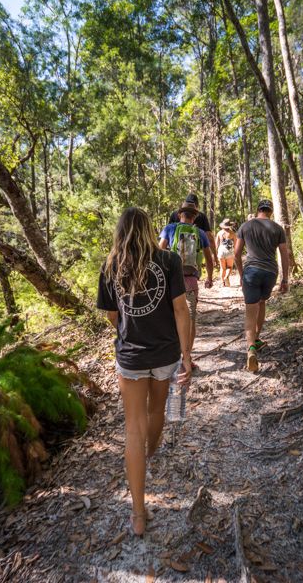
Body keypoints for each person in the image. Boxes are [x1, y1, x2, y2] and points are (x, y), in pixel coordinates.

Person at [97, 207, 193, 537]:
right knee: (157, 411)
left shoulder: (110, 266)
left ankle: (138, 515)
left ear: (120, 231)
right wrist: (188, 355)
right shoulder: (169, 262)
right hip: (166, 353)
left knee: (133, 429)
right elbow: (181, 310)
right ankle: (149, 455)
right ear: (149, 228)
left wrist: (130, 328)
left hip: (131, 357)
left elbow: (113, 316)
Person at [234, 199, 290, 373]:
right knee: (262, 302)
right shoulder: (277, 228)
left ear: (258, 210)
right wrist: (285, 279)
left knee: (251, 309)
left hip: (252, 271)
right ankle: (257, 338)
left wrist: (242, 275)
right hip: (270, 272)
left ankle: (251, 348)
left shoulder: (246, 226)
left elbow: (236, 254)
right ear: (270, 212)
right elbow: (284, 254)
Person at [159, 204, 214, 368]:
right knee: (189, 320)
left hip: (170, 282)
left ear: (179, 214)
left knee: (170, 318)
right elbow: (209, 259)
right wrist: (209, 278)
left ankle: (170, 358)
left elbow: (158, 251)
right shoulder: (200, 233)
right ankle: (187, 358)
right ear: (195, 217)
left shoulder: (169, 228)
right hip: (190, 281)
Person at [168, 193, 217, 264]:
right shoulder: (201, 216)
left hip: (174, 259)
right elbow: (209, 237)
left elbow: (166, 238)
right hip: (193, 261)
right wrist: (215, 256)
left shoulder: (175, 214)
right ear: (196, 206)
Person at [215, 219, 238, 287]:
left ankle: (222, 283)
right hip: (229, 251)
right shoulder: (233, 233)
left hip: (221, 251)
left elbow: (217, 244)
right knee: (229, 267)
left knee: (222, 268)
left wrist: (216, 253)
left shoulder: (219, 233)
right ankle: (226, 277)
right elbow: (236, 244)